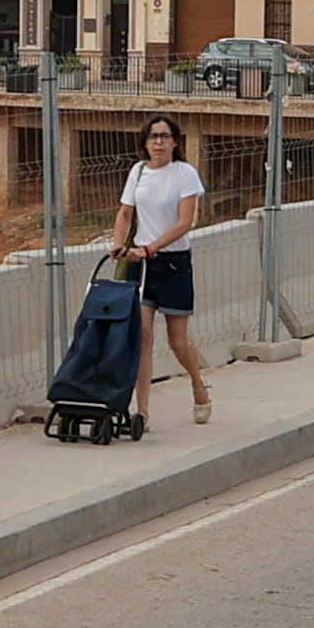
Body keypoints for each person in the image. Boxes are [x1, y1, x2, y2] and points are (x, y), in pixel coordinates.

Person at [113, 111, 211, 427]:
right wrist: (119, 244)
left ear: (175, 142)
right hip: (140, 267)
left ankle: (198, 385)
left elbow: (185, 221)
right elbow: (126, 212)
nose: (159, 142)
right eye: (153, 137)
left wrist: (151, 248)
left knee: (177, 341)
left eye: (165, 137)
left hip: (173, 263)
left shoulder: (184, 174)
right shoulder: (138, 172)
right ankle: (142, 411)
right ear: (145, 142)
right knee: (142, 337)